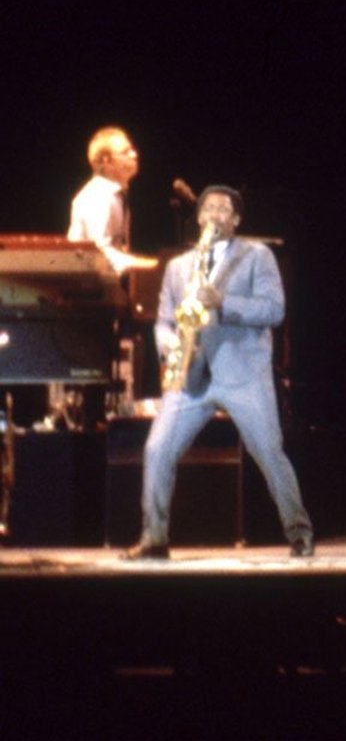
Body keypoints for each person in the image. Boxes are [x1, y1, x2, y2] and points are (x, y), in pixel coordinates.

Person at [123, 186, 313, 560]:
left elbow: (274, 310)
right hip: (190, 377)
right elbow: (162, 322)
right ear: (198, 217)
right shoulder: (178, 267)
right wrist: (170, 347)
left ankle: (299, 533)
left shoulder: (258, 256)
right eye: (207, 208)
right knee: (157, 449)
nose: (213, 213)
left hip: (243, 375)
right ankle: (154, 538)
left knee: (269, 454)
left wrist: (223, 302)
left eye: (223, 209)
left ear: (236, 220)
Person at [67, 125, 157, 275]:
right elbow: (100, 252)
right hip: (88, 288)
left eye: (132, 150)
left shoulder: (116, 194)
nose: (134, 155)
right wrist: (144, 265)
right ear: (106, 161)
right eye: (125, 152)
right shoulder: (97, 196)